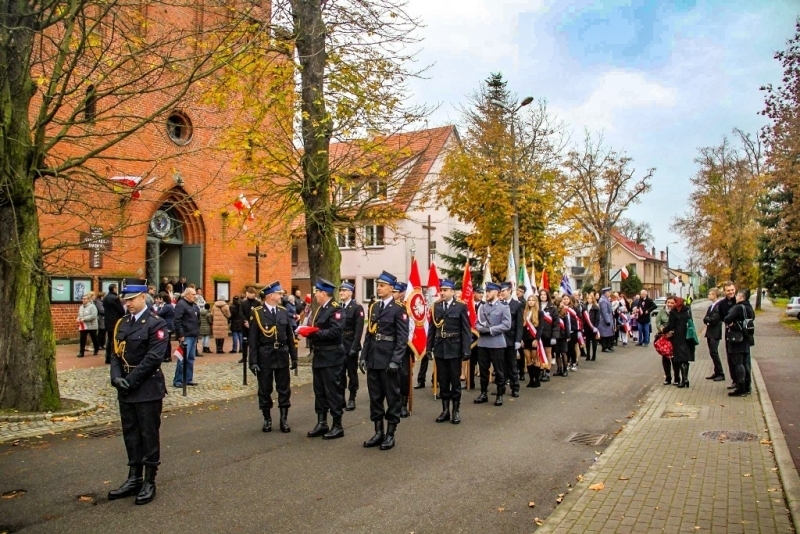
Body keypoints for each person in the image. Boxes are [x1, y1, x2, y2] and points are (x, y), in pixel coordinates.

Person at [107, 279, 168, 506]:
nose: (128, 304)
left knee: (148, 435)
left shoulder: (156, 323)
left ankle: (149, 480)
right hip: (125, 387)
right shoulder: (122, 323)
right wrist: (116, 378)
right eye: (126, 300)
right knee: (131, 434)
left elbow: (153, 358)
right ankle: (134, 478)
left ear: (143, 297)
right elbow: (115, 353)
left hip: (147, 387)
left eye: (132, 299)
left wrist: (130, 381)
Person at [359, 271, 409, 450]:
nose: (378, 288)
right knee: (375, 398)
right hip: (374, 359)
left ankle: (390, 434)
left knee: (392, 397)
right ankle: (378, 432)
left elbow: (402, 338)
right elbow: (369, 334)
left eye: (382, 285)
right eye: (377, 285)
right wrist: (363, 356)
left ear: (391, 288)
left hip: (389, 360)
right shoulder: (374, 307)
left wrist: (396, 360)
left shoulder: (398, 308)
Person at [249, 281, 298, 432]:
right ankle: (267, 419)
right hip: (265, 355)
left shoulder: (283, 311)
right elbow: (253, 339)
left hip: (281, 354)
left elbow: (289, 336)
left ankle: (284, 419)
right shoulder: (257, 312)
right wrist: (253, 361)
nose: (281, 296)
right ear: (271, 296)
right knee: (265, 389)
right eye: (279, 293)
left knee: (284, 388)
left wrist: (294, 356)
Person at [305, 278, 346, 440]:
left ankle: (337, 425)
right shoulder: (321, 310)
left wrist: (314, 333)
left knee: (333, 391)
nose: (315, 295)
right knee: (320, 390)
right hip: (320, 356)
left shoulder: (336, 309)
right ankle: (322, 422)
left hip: (332, 357)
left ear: (323, 293)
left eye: (317, 292)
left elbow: (335, 332)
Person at [427, 279, 471, 424]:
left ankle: (455, 410)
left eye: (445, 290)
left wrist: (466, 349)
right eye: (441, 290)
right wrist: (429, 347)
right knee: (443, 381)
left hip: (454, 348)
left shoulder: (460, 306)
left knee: (455, 381)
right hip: (440, 348)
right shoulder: (436, 306)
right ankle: (445, 410)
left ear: (452, 292)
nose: (442, 292)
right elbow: (432, 329)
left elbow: (466, 330)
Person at [474, 282, 511, 406]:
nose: (487, 294)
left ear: (496, 292)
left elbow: (506, 325)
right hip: (483, 343)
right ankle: (483, 393)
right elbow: (477, 322)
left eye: (489, 291)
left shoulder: (503, 307)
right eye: (486, 291)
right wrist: (480, 328)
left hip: (497, 343)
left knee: (499, 371)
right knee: (483, 370)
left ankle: (499, 394)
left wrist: (490, 330)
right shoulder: (482, 307)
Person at [339, 282, 365, 411]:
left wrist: (355, 347)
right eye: (340, 290)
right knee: (340, 373)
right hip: (339, 345)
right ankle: (341, 398)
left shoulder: (357, 308)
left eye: (344, 291)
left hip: (350, 344)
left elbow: (359, 330)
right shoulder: (338, 307)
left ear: (350, 292)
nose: (341, 293)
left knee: (352, 373)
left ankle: (352, 397)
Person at [724, 289, 755, 397]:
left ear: (741, 297)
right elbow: (752, 318)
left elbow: (727, 318)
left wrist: (732, 322)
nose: (736, 297)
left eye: (737, 295)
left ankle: (740, 387)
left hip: (737, 338)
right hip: (747, 337)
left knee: (738, 363)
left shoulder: (738, 307)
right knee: (745, 362)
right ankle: (747, 386)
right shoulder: (749, 307)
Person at [391, 282, 413, 418]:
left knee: (403, 374)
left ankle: (403, 403)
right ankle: (394, 402)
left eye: (395, 292)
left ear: (400, 294)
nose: (393, 294)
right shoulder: (385, 307)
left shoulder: (405, 308)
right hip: (389, 346)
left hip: (403, 345)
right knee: (391, 375)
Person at [663, 296, 694, 388]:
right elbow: (691, 321)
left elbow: (671, 325)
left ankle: (684, 380)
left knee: (680, 358)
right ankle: (685, 379)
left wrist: (664, 330)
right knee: (685, 358)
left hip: (677, 337)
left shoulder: (673, 312)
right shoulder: (687, 310)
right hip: (687, 336)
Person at [173, 287, 200, 387]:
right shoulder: (181, 304)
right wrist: (180, 334)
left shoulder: (194, 306)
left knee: (190, 358)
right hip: (186, 335)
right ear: (187, 295)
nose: (195, 296)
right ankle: (178, 380)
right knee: (182, 358)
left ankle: (188, 379)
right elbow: (177, 320)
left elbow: (198, 320)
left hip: (193, 335)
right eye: (193, 294)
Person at [499, 282, 523, 397]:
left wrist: (518, 340)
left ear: (509, 291)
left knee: (512, 364)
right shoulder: (499, 304)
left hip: (511, 338)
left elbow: (519, 324)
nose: (502, 293)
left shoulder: (517, 305)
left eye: (503, 291)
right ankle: (501, 387)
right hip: (500, 338)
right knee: (501, 365)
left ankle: (515, 387)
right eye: (501, 291)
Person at [716, 282, 738, 390]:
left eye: (732, 290)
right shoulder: (721, 304)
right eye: (728, 290)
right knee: (730, 357)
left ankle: (743, 381)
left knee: (741, 358)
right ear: (725, 291)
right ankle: (734, 380)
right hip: (729, 332)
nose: (731, 292)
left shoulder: (739, 301)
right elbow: (721, 317)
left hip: (740, 333)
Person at [702, 288, 726, 381]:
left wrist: (709, 320)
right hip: (709, 332)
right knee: (712, 352)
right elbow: (705, 319)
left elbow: (714, 319)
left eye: (710, 294)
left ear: (715, 295)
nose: (708, 295)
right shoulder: (711, 306)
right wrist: (708, 320)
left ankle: (721, 373)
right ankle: (716, 372)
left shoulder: (719, 306)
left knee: (714, 352)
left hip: (715, 332)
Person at [655, 296, 677, 385]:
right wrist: (662, 330)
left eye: (672, 303)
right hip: (664, 337)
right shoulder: (662, 312)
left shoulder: (677, 312)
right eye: (668, 302)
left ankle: (677, 378)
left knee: (675, 358)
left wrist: (672, 332)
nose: (670, 304)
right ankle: (668, 377)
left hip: (674, 338)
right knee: (665, 358)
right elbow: (658, 322)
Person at [522, 295, 542, 387]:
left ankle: (537, 380)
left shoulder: (539, 312)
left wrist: (536, 339)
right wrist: (521, 339)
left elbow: (541, 327)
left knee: (535, 359)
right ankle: (531, 380)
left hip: (534, 338)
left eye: (533, 300)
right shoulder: (525, 312)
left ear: (536, 302)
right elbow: (522, 327)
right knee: (528, 359)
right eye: (529, 300)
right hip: (526, 339)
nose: (530, 302)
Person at [537, 289, 557, 380]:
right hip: (538, 334)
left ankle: (548, 371)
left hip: (548, 334)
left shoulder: (552, 308)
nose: (543, 296)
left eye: (544, 294)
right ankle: (541, 370)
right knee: (540, 353)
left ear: (547, 296)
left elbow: (556, 323)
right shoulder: (537, 306)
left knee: (548, 353)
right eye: (541, 294)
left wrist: (554, 336)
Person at [103, 284, 126, 364]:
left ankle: (107, 357)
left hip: (108, 321)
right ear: (114, 289)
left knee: (109, 339)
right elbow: (121, 310)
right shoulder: (115, 298)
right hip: (115, 321)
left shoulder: (105, 298)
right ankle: (113, 356)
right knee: (114, 340)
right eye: (116, 288)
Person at [77, 292, 100, 357]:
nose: (83, 300)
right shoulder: (81, 307)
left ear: (88, 300)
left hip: (92, 326)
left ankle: (96, 349)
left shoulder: (92, 306)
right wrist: (78, 318)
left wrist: (84, 318)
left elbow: (93, 316)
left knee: (94, 338)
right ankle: (81, 352)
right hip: (83, 325)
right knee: (82, 339)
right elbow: (79, 314)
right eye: (83, 299)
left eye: (85, 299)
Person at [240, 287, 259, 364]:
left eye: (254, 294)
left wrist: (251, 323)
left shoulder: (257, 303)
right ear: (247, 294)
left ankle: (253, 357)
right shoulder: (243, 303)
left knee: (253, 342)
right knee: (244, 342)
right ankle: (244, 357)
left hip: (254, 325)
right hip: (245, 325)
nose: (253, 295)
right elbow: (241, 313)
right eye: (251, 293)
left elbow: (258, 314)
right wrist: (245, 321)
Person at [155, 292, 175, 363]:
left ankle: (166, 356)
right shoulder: (170, 306)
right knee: (168, 341)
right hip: (169, 325)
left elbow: (158, 314)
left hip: (166, 326)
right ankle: (168, 356)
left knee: (164, 341)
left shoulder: (166, 306)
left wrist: (159, 307)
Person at [582, 292, 600, 361]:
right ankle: (588, 355)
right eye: (588, 298)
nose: (589, 300)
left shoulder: (596, 307)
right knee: (587, 341)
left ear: (593, 299)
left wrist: (596, 327)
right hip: (586, 326)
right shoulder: (584, 307)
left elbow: (597, 318)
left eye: (590, 298)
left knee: (594, 341)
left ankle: (594, 355)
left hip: (593, 326)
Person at [598, 287, 615, 352]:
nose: (610, 293)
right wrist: (607, 321)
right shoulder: (603, 300)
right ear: (605, 293)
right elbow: (604, 311)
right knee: (605, 334)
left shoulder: (606, 299)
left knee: (608, 333)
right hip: (604, 319)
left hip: (608, 318)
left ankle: (608, 346)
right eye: (609, 292)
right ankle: (604, 347)